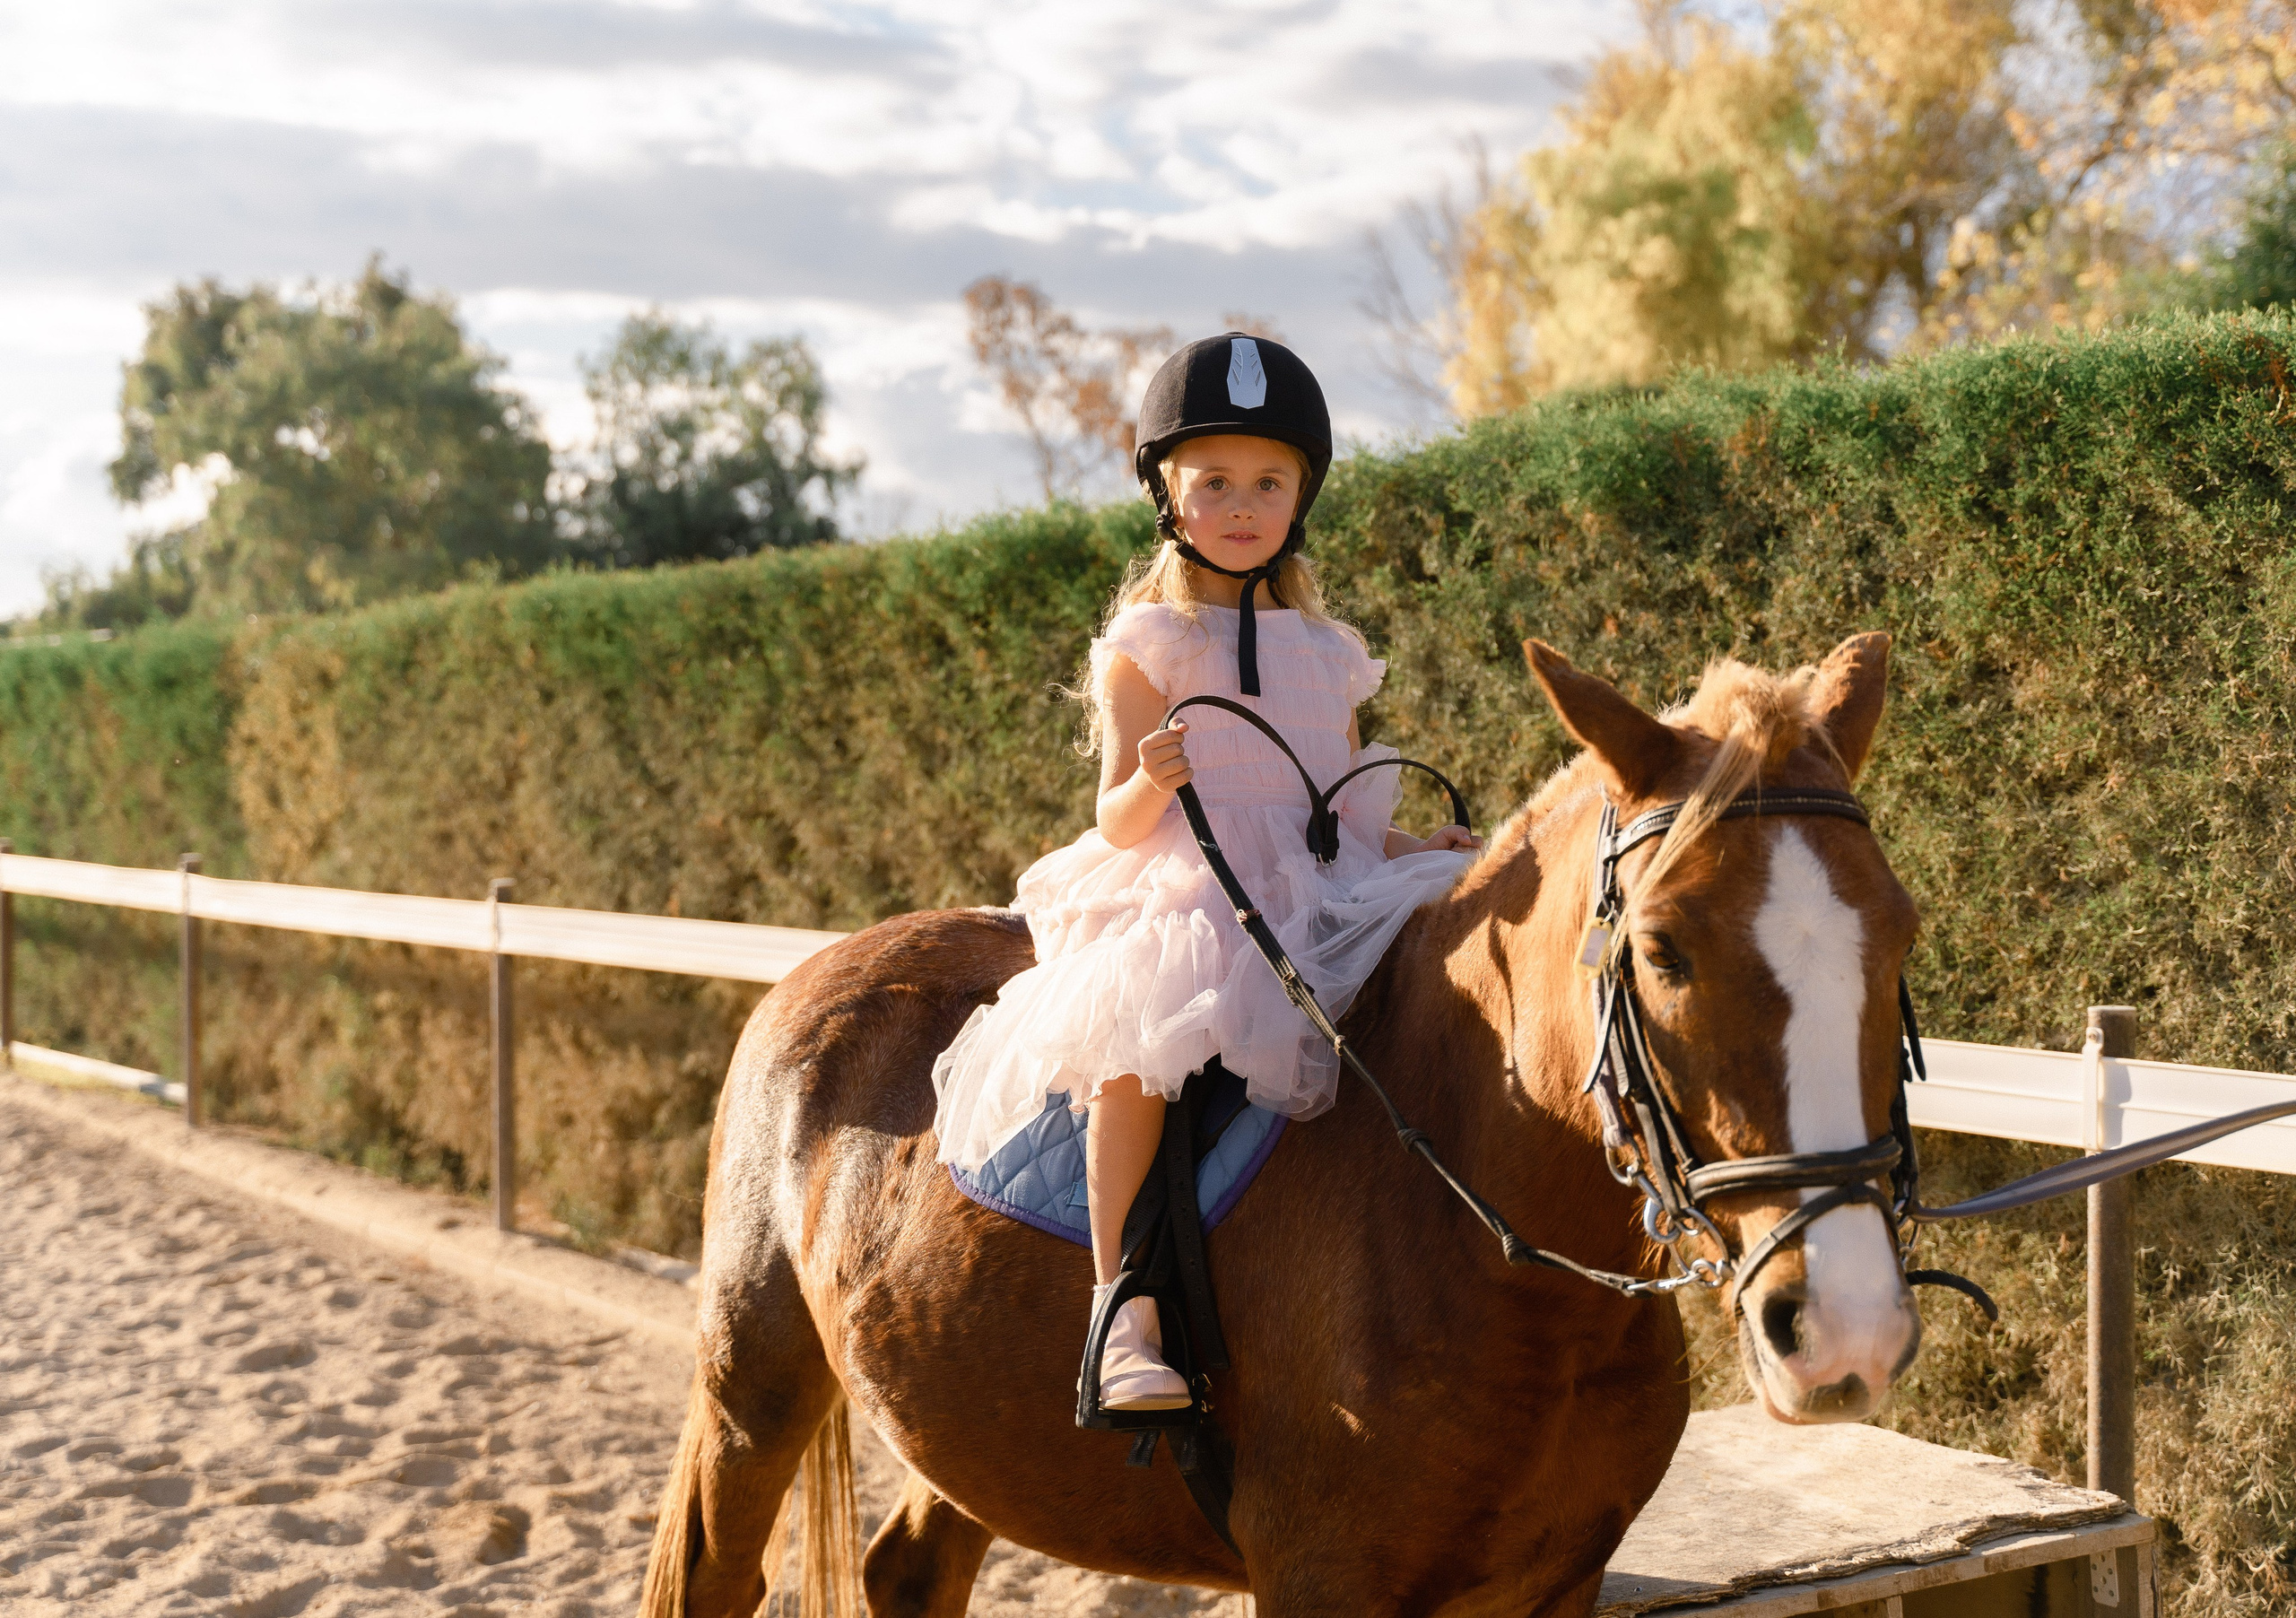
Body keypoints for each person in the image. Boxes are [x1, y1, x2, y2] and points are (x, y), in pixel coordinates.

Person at [932, 333, 1481, 1410]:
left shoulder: (1328, 652)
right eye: (1214, 481)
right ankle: (1119, 1311)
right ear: (1167, 496)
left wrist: (1431, 852)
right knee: (1140, 1044)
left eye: (1268, 482)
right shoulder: (1149, 639)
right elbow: (1120, 819)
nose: (1242, 504)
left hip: (1319, 893)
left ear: (1300, 499)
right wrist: (1147, 776)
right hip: (1188, 883)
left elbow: (1339, 815)